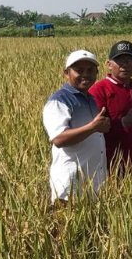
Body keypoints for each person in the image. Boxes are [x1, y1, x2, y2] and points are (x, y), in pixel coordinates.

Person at [42, 50, 109, 203]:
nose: (85, 74)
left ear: (97, 72)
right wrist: (92, 127)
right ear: (67, 73)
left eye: (91, 70)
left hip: (94, 183)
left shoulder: (91, 99)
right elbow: (59, 139)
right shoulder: (59, 101)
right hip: (70, 185)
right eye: (79, 70)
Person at [89, 40, 132, 169]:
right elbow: (93, 130)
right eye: (119, 60)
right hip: (111, 165)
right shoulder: (99, 90)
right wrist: (123, 123)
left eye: (129, 60)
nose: (125, 65)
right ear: (109, 64)